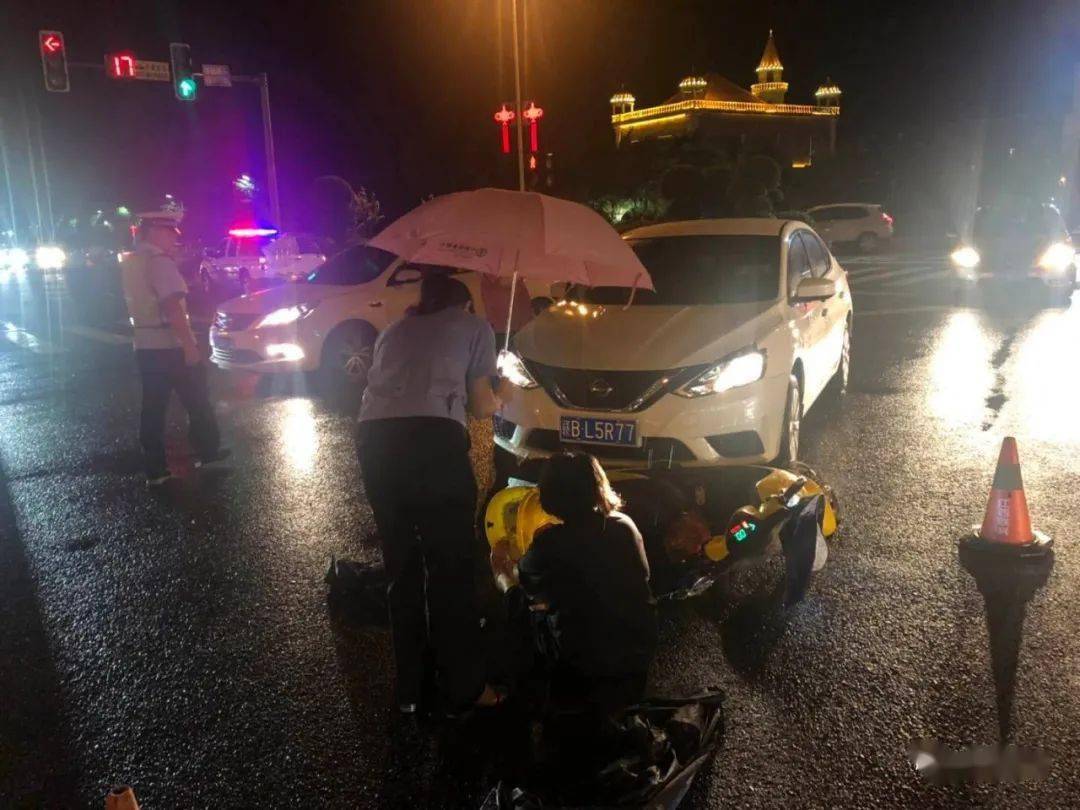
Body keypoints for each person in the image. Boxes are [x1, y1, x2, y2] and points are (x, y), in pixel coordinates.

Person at [356, 271, 513, 715]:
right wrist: (503, 393)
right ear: (464, 304)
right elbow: (482, 407)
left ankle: (410, 690)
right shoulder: (474, 327)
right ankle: (465, 687)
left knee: (401, 568)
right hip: (433, 447)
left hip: (375, 444)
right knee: (450, 571)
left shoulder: (394, 329)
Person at [517, 453, 657, 714]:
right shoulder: (625, 525)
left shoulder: (550, 543)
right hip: (638, 653)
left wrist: (501, 567)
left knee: (515, 600)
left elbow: (526, 583)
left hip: (584, 665)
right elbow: (643, 576)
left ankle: (526, 695)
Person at [121, 211, 227, 486]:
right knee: (197, 400)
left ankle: (155, 469)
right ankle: (208, 453)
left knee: (153, 408)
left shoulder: (133, 261)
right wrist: (190, 346)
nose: (174, 240)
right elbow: (172, 307)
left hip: (145, 345)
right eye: (170, 233)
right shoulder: (159, 263)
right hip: (171, 344)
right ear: (155, 232)